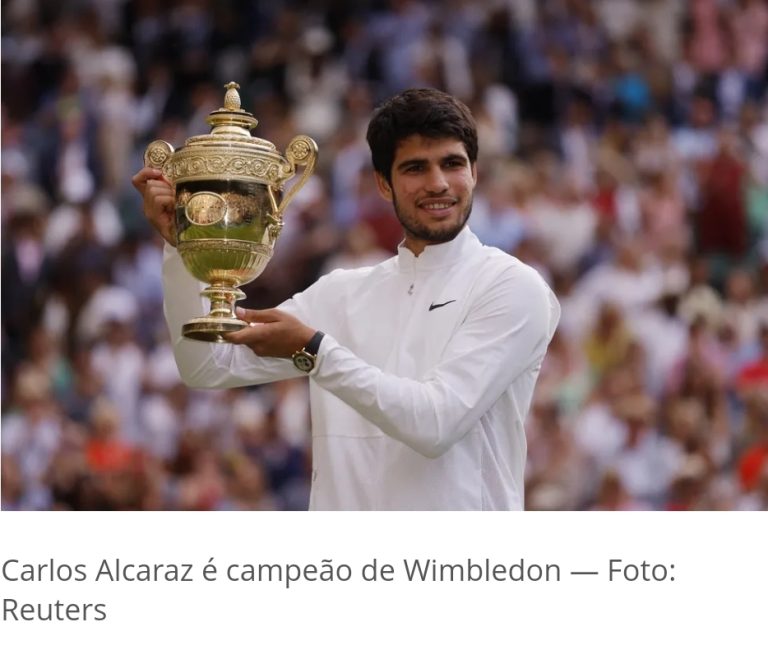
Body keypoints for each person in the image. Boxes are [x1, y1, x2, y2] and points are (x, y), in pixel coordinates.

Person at [131, 88, 560, 510]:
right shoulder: (341, 293)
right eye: (415, 168)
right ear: (383, 184)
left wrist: (314, 353)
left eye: (452, 164)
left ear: (474, 173)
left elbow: (435, 423)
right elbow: (207, 366)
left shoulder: (512, 287)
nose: (438, 183)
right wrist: (181, 245)